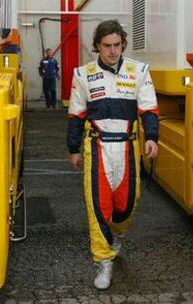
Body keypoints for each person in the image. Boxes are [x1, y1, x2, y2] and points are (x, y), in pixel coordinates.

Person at [67, 20, 159, 290]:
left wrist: (152, 137)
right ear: (97, 46)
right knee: (98, 207)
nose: (112, 51)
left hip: (128, 147)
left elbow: (149, 109)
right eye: (107, 46)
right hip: (96, 147)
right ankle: (103, 261)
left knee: (127, 205)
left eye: (117, 45)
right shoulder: (83, 74)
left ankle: (116, 236)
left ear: (123, 44)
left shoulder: (139, 71)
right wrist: (73, 149)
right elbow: (75, 115)